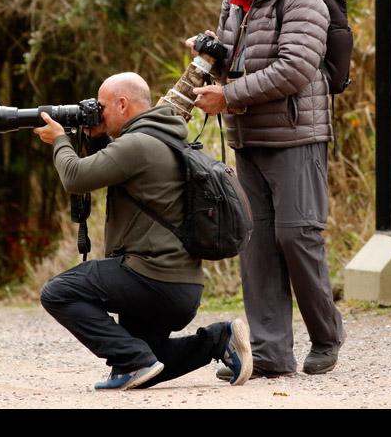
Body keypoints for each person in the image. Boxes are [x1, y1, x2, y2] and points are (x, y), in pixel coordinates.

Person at [190, 0, 345, 378]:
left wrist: (227, 96)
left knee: (297, 236)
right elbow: (237, 61)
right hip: (248, 137)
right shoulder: (235, 1)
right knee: (255, 245)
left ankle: (326, 336)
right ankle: (270, 353)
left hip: (296, 136)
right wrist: (210, 51)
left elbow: (294, 68)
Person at [33, 72, 253, 390]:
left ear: (122, 104)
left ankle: (135, 359)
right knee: (150, 361)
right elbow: (111, 165)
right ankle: (219, 340)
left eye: (102, 106)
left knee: (58, 292)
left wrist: (59, 140)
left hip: (151, 278)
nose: (97, 112)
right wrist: (97, 138)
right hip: (181, 287)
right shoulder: (161, 137)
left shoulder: (137, 144)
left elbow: (76, 177)